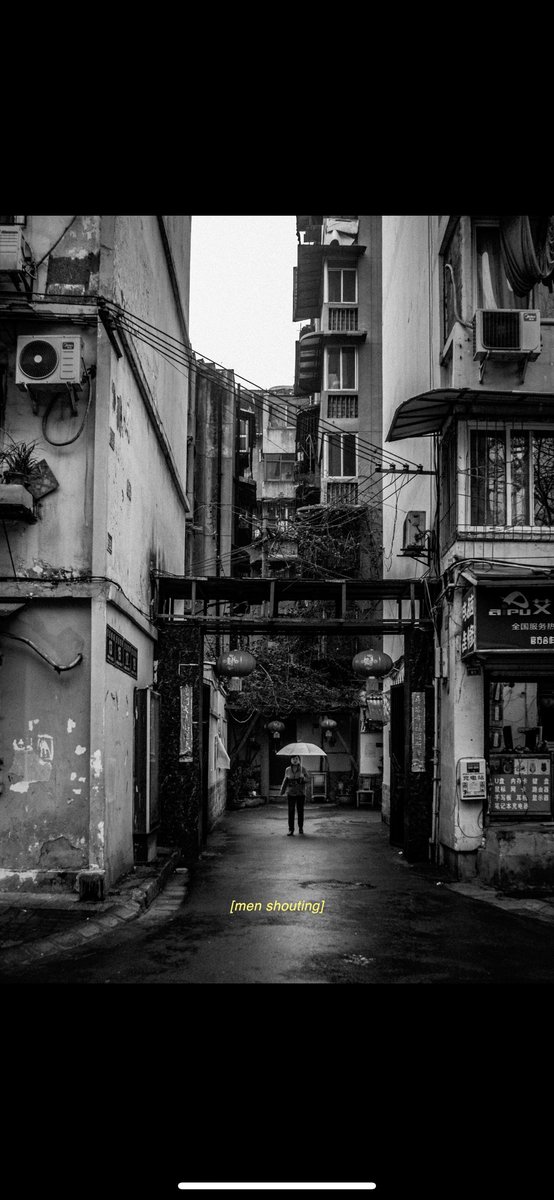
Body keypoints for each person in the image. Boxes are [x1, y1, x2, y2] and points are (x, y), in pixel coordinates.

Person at [279, 755, 310, 835]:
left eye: (296, 758)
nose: (295, 760)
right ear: (291, 760)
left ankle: (300, 828)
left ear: (299, 760)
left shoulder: (303, 769)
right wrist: (282, 790)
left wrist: (303, 778)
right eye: (293, 759)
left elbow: (308, 779)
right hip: (291, 793)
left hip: (300, 793)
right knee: (291, 811)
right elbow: (285, 780)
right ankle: (291, 829)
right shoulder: (287, 770)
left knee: (300, 811)